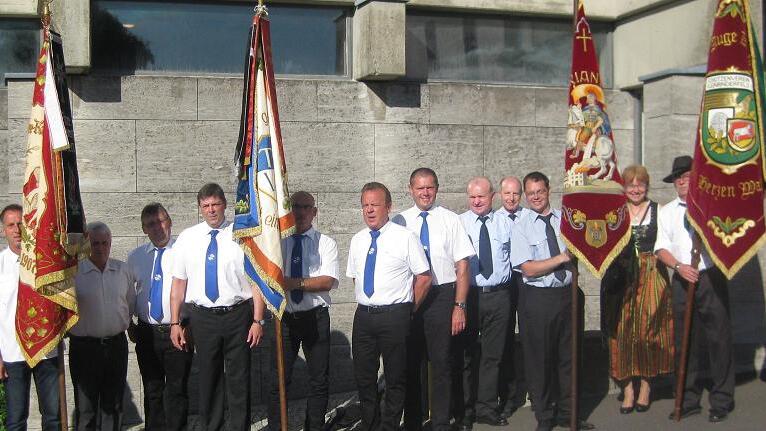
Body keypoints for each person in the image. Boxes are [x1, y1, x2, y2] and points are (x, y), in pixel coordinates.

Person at [170, 183, 266, 431]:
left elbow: (256, 280)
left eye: (215, 204)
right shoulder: (187, 238)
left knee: (239, 379)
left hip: (238, 315)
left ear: (225, 204)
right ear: (200, 208)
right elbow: (179, 283)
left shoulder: (243, 234)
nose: (211, 210)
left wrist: (258, 320)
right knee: (208, 378)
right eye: (206, 206)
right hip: (202, 318)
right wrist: (174, 323)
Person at [510, 172, 594, 431]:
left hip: (567, 297)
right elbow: (528, 269)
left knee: (569, 358)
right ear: (526, 194)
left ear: (549, 190)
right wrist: (561, 258)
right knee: (540, 361)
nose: (536, 197)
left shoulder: (567, 220)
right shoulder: (521, 225)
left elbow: (586, 247)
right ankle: (545, 416)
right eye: (531, 193)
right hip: (538, 300)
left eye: (540, 191)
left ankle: (569, 415)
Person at [654, 156, 734, 423]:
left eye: (687, 177)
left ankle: (722, 399)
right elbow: (660, 248)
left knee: (718, 339)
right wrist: (678, 266)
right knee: (684, 342)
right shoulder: (666, 212)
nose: (682, 181)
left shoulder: (711, 206)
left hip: (710, 277)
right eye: (678, 178)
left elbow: (727, 238)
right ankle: (687, 399)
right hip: (682, 279)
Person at [347, 182, 432, 431]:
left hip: (395, 316)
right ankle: (370, 424)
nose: (370, 210)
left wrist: (408, 308)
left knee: (396, 378)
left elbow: (424, 277)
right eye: (365, 205)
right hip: (364, 317)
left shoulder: (405, 237)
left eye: (375, 204)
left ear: (388, 206)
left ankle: (389, 426)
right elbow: (356, 277)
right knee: (364, 377)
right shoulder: (358, 240)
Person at [394, 168, 474, 431]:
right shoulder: (399, 221)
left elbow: (462, 266)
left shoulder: (451, 220)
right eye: (420, 188)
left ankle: (440, 422)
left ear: (437, 189)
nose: (425, 193)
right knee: (411, 363)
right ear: (410, 189)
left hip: (442, 296)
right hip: (412, 297)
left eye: (430, 187)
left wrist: (459, 306)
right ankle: (414, 423)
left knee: (442, 362)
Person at [601, 165, 673, 414]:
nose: (635, 189)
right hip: (623, 278)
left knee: (647, 333)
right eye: (630, 185)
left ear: (646, 186)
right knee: (621, 334)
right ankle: (628, 389)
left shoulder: (659, 211)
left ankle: (646, 386)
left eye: (640, 184)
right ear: (624, 187)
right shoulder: (616, 212)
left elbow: (667, 242)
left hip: (652, 274)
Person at [267, 191, 339, 431]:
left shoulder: (325, 243)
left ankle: (314, 427)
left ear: (314, 212)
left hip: (315, 318)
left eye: (306, 207)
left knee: (318, 380)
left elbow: (327, 281)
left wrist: (294, 283)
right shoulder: (278, 242)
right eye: (295, 206)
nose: (300, 212)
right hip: (284, 318)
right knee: (278, 381)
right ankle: (278, 427)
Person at [127, 203, 193, 430]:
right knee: (152, 389)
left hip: (178, 330)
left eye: (162, 221)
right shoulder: (135, 257)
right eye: (151, 224)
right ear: (144, 229)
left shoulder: (184, 254)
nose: (158, 227)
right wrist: (130, 324)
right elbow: (128, 293)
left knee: (177, 389)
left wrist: (189, 324)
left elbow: (194, 292)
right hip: (147, 332)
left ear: (170, 221)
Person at [454, 177, 513, 429]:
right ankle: (466, 411)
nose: (476, 201)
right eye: (472, 197)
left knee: (493, 355)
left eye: (481, 196)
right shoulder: (459, 223)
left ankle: (486, 408)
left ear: (493, 196)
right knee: (466, 355)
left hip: (499, 295)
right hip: (471, 296)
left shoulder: (506, 223)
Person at [70, 221, 136, 431]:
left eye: (104, 243)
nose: (100, 248)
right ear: (87, 244)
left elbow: (129, 303)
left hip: (116, 346)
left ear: (110, 243)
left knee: (114, 404)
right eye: (95, 243)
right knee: (86, 408)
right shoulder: (74, 273)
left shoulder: (122, 270)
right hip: (84, 348)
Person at [0, 204, 60, 431]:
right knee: (16, 419)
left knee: (52, 416)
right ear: (4, 230)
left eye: (21, 224)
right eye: (11, 225)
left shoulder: (46, 262)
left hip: (46, 351)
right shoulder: (0, 265)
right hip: (12, 354)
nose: (17, 229)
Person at [494, 176, 529, 416]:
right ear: (500, 194)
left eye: (516, 193)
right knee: (504, 342)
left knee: (530, 338)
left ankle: (536, 392)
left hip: (527, 282)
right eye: (507, 193)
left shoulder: (529, 217)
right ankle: (507, 397)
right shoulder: (494, 219)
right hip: (505, 285)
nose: (511, 198)